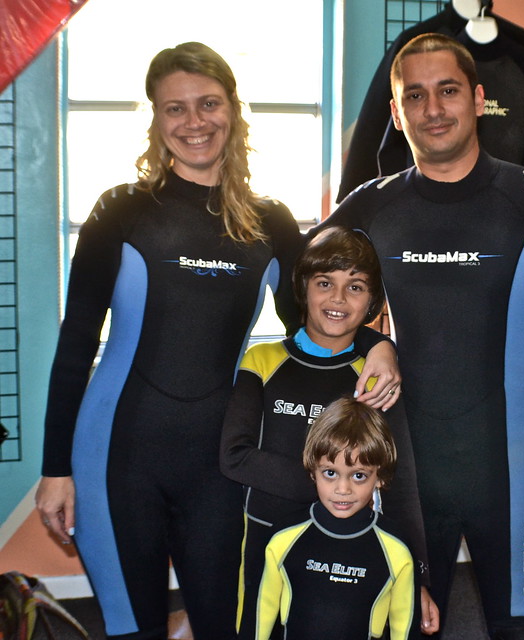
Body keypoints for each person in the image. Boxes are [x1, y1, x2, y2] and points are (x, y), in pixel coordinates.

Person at [34, 42, 399, 640]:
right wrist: (55, 470)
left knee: (228, 626)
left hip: (219, 465)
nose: (194, 121)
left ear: (233, 110)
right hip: (114, 455)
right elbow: (76, 344)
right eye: (174, 108)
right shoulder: (122, 212)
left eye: (208, 103)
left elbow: (319, 323)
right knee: (131, 627)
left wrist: (376, 345)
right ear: (155, 119)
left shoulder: (270, 222)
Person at [314, 33, 524, 640]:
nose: (433, 109)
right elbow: (309, 294)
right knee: (404, 629)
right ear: (397, 113)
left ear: (477, 98)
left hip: (513, 472)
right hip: (406, 475)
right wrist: (376, 343)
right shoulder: (371, 207)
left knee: (523, 629)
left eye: (447, 91)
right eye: (414, 96)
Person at [220, 226, 439, 638]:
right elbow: (235, 456)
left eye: (354, 287)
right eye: (325, 283)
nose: (338, 299)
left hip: (352, 542)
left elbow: (400, 479)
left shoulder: (375, 376)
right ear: (304, 288)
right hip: (268, 539)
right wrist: (338, 484)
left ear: (372, 300)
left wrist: (419, 576)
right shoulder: (263, 360)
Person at [255, 396, 422, 640]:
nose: (342, 489)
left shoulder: (396, 549)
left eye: (359, 476)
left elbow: (404, 626)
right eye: (330, 473)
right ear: (313, 470)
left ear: (380, 477)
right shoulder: (283, 537)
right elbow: (261, 613)